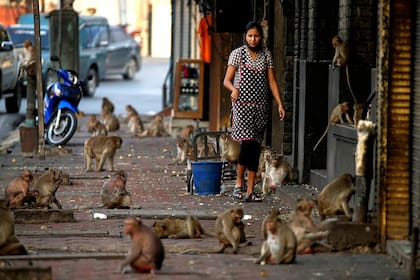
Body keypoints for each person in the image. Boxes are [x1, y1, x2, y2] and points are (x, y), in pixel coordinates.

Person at [223, 21, 286, 202]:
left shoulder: (266, 55)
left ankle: (251, 190)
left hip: (261, 107)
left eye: (256, 36)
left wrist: (280, 104)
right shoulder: (237, 54)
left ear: (261, 37)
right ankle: (238, 184)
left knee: (256, 147)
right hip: (242, 105)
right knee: (247, 144)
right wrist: (232, 89)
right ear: (245, 36)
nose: (253, 39)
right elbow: (227, 80)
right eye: (250, 35)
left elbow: (272, 82)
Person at [20, 40, 37, 127]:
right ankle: (30, 117)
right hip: (30, 72)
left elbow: (30, 60)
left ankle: (31, 117)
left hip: (33, 72)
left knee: (32, 96)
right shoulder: (26, 51)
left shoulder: (32, 51)